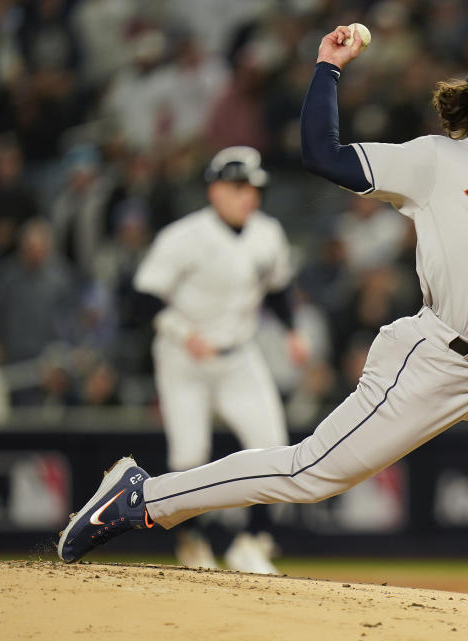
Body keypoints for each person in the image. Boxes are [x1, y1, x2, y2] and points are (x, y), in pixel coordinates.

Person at [57, 27, 468, 620]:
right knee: (307, 473)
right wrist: (327, 68)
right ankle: (145, 498)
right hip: (432, 358)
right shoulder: (434, 161)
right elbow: (321, 153)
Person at [128, 146, 306, 574]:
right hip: (183, 359)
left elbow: (278, 288)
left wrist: (292, 330)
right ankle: (194, 541)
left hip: (239, 355)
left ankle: (253, 542)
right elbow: (141, 299)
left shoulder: (268, 233)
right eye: (238, 186)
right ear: (215, 189)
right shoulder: (184, 236)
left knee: (275, 449)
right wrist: (183, 333)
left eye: (254, 187)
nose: (248, 195)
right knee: (190, 455)